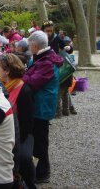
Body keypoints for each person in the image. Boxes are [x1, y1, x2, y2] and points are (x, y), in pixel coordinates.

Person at [22, 31, 63, 184]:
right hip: (40, 104)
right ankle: (38, 170)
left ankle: (43, 172)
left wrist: (22, 75)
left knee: (40, 140)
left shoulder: (47, 62)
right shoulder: (43, 58)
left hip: (42, 107)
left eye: (29, 45)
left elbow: (31, 82)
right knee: (37, 138)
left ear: (34, 45)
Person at [0, 54, 36, 188]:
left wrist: (14, 142)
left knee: (23, 158)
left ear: (7, 71)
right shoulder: (4, 86)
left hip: (21, 134)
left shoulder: (23, 90)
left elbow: (27, 123)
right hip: (8, 133)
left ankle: (29, 184)